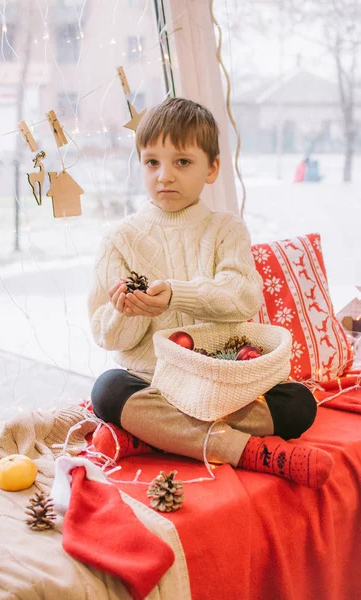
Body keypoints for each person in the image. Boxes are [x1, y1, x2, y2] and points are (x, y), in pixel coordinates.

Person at [88, 98, 333, 488]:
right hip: (153, 382)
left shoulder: (226, 229)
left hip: (221, 383)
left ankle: (156, 435)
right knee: (108, 390)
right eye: (152, 162)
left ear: (212, 168)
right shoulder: (121, 238)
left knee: (299, 403)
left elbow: (242, 296)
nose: (164, 175)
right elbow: (107, 335)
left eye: (182, 162)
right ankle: (248, 451)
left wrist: (175, 296)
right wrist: (127, 311)